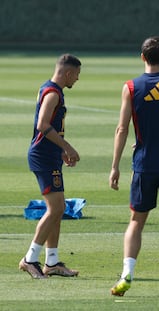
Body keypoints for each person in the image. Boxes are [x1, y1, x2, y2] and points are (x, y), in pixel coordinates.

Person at [109, 36, 159, 297]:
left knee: (136, 222)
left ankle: (127, 274)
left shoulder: (131, 87)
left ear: (142, 57)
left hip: (145, 163)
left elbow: (122, 128)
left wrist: (115, 166)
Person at [20, 54, 81, 279]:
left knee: (58, 207)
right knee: (56, 208)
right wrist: (68, 147)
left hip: (50, 155)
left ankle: (52, 262)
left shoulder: (49, 89)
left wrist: (61, 151)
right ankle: (30, 258)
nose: (77, 79)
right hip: (43, 156)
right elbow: (42, 125)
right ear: (67, 73)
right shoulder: (53, 93)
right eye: (76, 74)